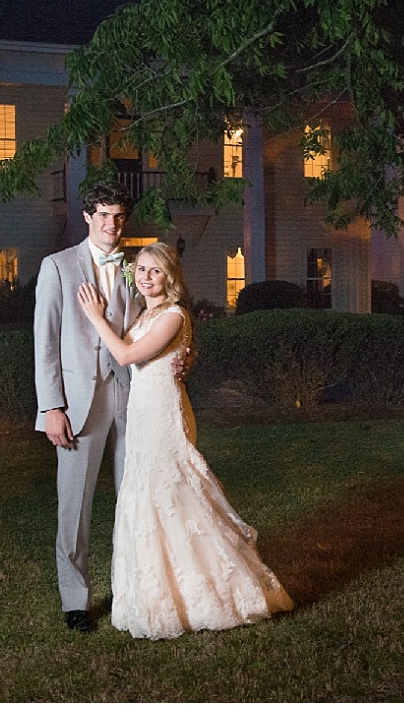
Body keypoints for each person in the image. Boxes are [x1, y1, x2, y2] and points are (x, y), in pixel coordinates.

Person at [77, 242, 294, 639]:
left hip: (164, 414)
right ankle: (156, 593)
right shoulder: (147, 313)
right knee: (148, 494)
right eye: (140, 269)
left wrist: (94, 316)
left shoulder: (174, 315)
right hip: (144, 412)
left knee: (175, 492)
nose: (145, 276)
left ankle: (214, 591)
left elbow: (126, 356)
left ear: (170, 277)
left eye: (154, 270)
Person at [33, 181, 143, 634]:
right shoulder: (58, 266)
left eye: (118, 217)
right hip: (79, 402)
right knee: (74, 507)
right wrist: (51, 407)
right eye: (102, 216)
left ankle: (131, 588)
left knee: (134, 500)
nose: (111, 225)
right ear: (86, 216)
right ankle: (76, 600)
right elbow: (45, 343)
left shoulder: (138, 267)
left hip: (131, 398)